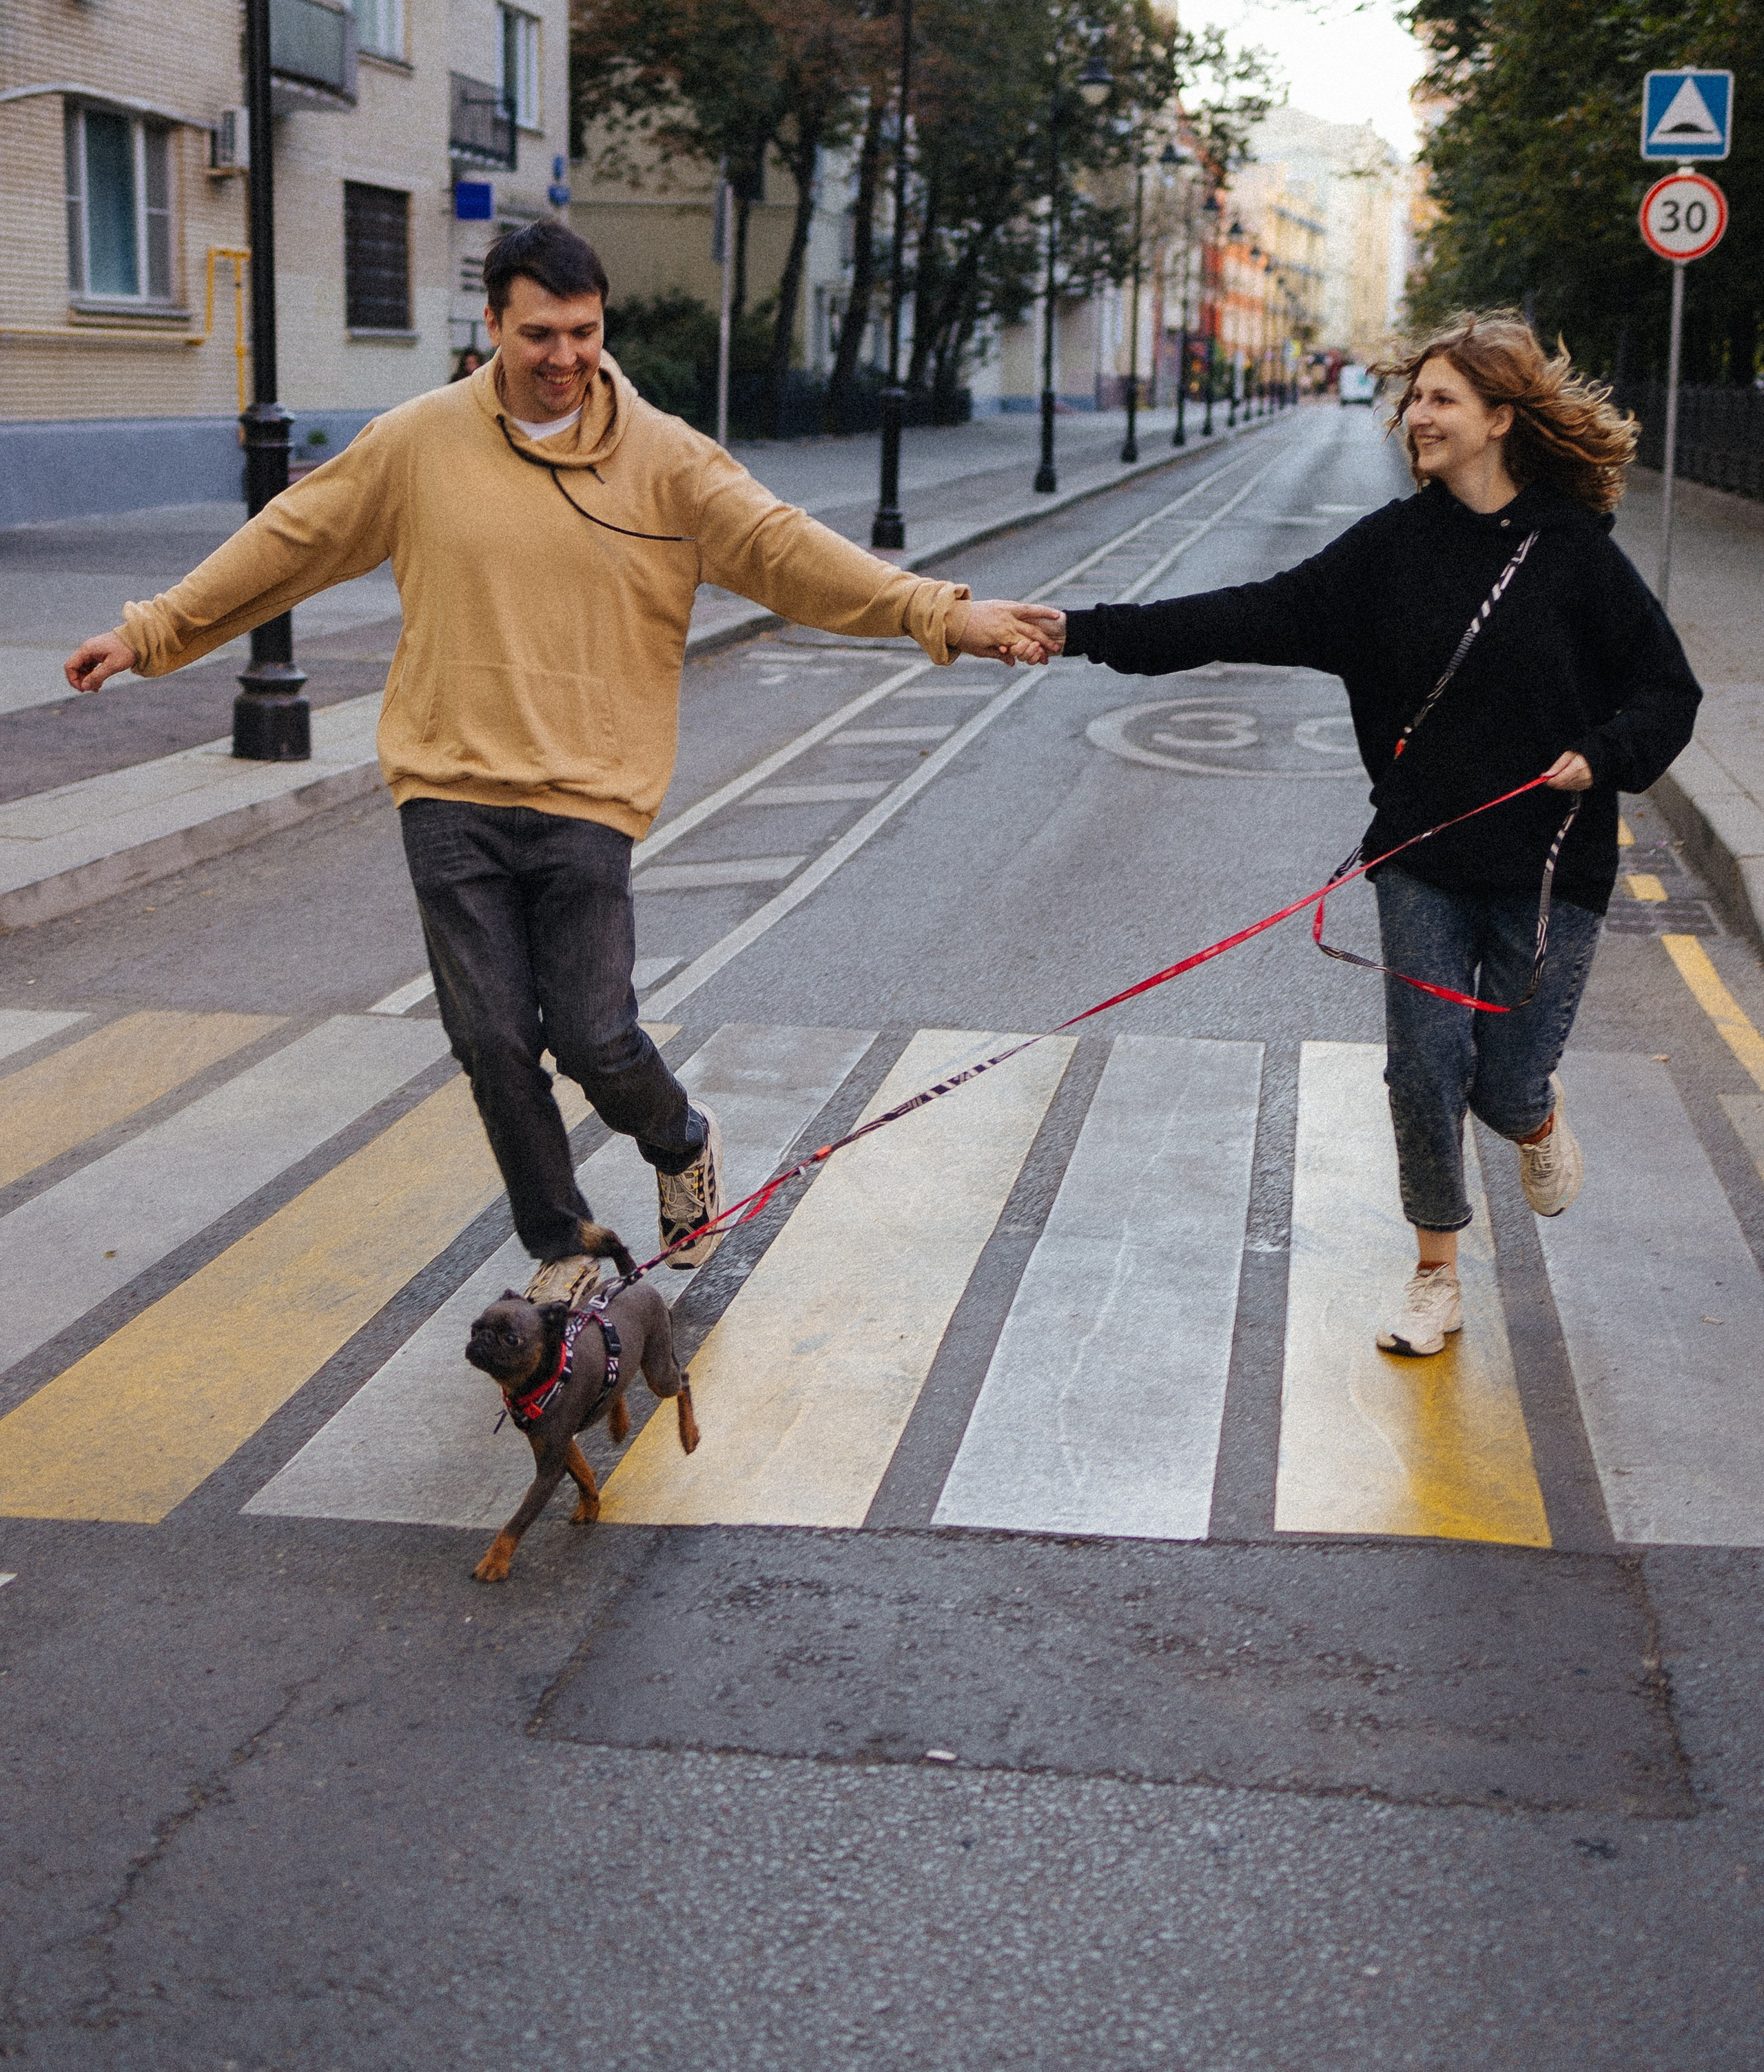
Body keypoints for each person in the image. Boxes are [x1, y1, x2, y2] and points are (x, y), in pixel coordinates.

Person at [65, 220, 1049, 1310]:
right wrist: (152, 632)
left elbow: (788, 552)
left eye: (582, 332)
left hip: (590, 792)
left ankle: (679, 1138)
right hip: (448, 785)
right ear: (492, 325)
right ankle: (563, 1236)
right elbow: (291, 538)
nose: (563, 357)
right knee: (491, 1038)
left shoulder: (668, 461)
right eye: (538, 333)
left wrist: (946, 615)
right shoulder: (417, 442)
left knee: (592, 1034)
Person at [1016, 311, 1701, 1357]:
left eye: (1441, 401)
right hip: (1421, 855)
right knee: (1423, 1067)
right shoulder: (1390, 552)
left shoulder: (1576, 558)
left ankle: (1533, 1113)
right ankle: (1437, 1274)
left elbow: (1668, 691)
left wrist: (1604, 757)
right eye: (1414, 398)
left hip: (1551, 864)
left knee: (1503, 1080)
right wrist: (1084, 631)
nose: (1415, 417)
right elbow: (1245, 613)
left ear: (1500, 420)